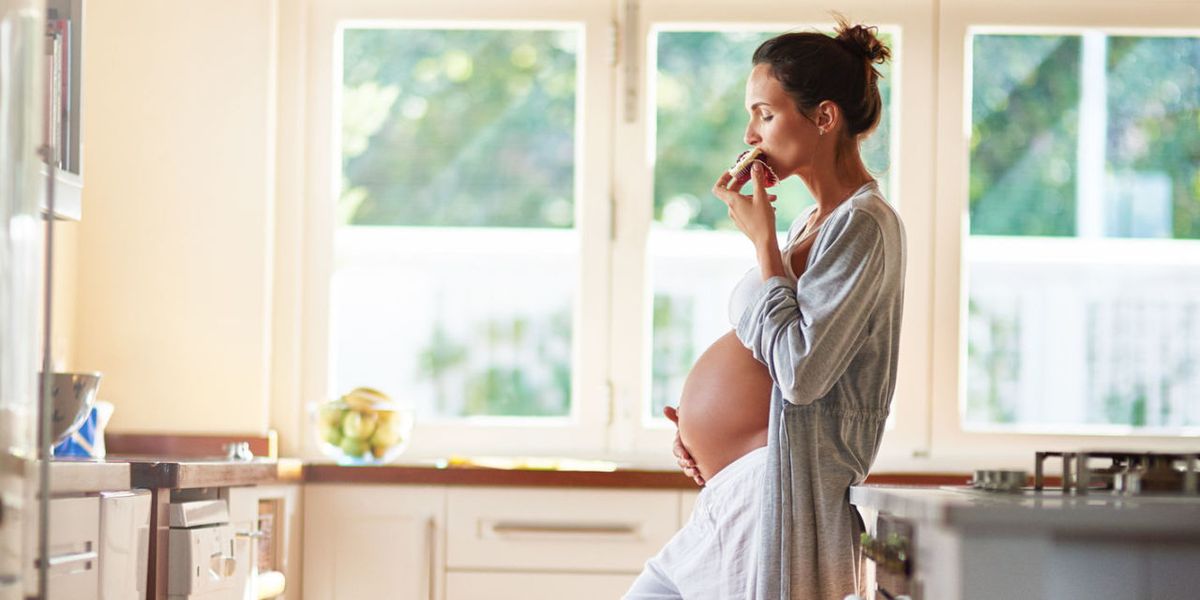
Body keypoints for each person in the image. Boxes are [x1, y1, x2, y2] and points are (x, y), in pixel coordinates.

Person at [624, 18, 905, 600]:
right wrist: (705, 435)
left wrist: (761, 244)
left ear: (824, 118)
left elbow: (802, 373)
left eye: (765, 113)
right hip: (739, 490)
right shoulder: (813, 222)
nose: (751, 132)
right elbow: (770, 354)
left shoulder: (864, 224)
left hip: (774, 493)